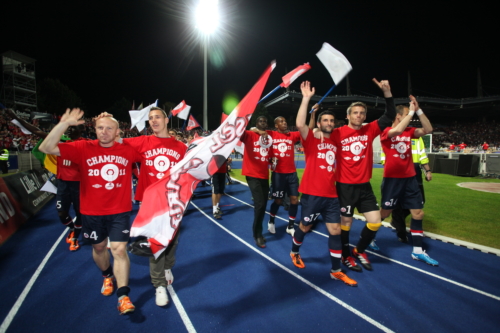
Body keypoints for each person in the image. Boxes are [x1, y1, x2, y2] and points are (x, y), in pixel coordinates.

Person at [39, 108, 141, 315]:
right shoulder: (82, 147)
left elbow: (155, 152)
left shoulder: (128, 150)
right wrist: (64, 124)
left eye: (109, 128)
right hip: (92, 212)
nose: (104, 132)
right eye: (100, 128)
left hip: (119, 211)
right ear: (94, 130)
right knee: (100, 247)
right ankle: (106, 276)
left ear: (117, 132)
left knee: (120, 250)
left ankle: (123, 296)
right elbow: (46, 147)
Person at [289, 81, 357, 287]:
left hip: (331, 195)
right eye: (324, 120)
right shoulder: (310, 140)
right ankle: (294, 251)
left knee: (335, 230)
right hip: (311, 193)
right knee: (305, 226)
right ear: (319, 123)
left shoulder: (335, 140)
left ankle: (336, 271)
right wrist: (306, 99)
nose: (328, 122)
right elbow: (301, 125)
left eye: (331, 120)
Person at [120, 107, 187, 307]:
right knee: (156, 242)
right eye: (150, 118)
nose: (153, 120)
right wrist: (109, 124)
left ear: (166, 120)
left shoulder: (181, 147)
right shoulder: (141, 142)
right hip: (149, 202)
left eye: (157, 117)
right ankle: (158, 284)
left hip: (173, 201)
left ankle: (168, 266)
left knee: (173, 240)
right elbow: (115, 143)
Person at [330, 79, 396, 272]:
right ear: (348, 115)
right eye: (355, 113)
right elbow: (317, 133)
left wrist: (387, 93)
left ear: (365, 116)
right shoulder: (337, 133)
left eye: (362, 113)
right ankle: (344, 255)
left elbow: (390, 115)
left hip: (364, 186)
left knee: (375, 221)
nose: (359, 116)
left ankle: (359, 250)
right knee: (346, 223)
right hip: (345, 186)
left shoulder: (370, 129)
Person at [7, 108, 84, 251]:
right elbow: (36, 131)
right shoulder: (61, 141)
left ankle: (75, 237)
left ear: (79, 131)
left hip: (80, 185)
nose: (67, 131)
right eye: (67, 128)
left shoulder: (86, 144)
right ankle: (72, 228)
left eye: (71, 128)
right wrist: (15, 118)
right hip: (63, 184)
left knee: (81, 213)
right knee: (62, 213)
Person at [379, 97, 438, 266]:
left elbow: (428, 128)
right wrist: (410, 112)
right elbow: (397, 131)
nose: (410, 117)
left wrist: (418, 110)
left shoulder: (410, 132)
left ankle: (418, 251)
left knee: (418, 213)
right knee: (385, 213)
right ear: (398, 116)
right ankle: (369, 238)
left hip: (410, 179)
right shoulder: (386, 131)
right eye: (406, 115)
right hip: (392, 180)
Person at [252, 116, 301, 236]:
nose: (285, 123)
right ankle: (271, 221)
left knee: (294, 200)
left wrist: (313, 116)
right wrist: (260, 131)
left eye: (285, 121)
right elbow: (253, 128)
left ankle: (290, 226)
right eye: (282, 122)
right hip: (278, 174)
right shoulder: (271, 134)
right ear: (276, 125)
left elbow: (307, 130)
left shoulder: (292, 135)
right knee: (278, 201)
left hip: (292, 174)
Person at [379, 136, 432, 244]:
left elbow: (422, 155)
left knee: (418, 204)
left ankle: (397, 221)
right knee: (394, 207)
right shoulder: (391, 135)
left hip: (415, 172)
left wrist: (428, 170)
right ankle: (401, 233)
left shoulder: (416, 137)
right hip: (397, 173)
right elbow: (384, 155)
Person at [240, 115, 273, 248]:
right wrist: (253, 128)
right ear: (256, 123)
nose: (263, 123)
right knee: (259, 204)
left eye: (265, 121)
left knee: (264, 204)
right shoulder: (249, 134)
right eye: (260, 121)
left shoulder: (269, 135)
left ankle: (259, 231)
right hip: (251, 174)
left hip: (264, 174)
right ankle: (257, 234)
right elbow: (239, 131)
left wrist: (272, 160)